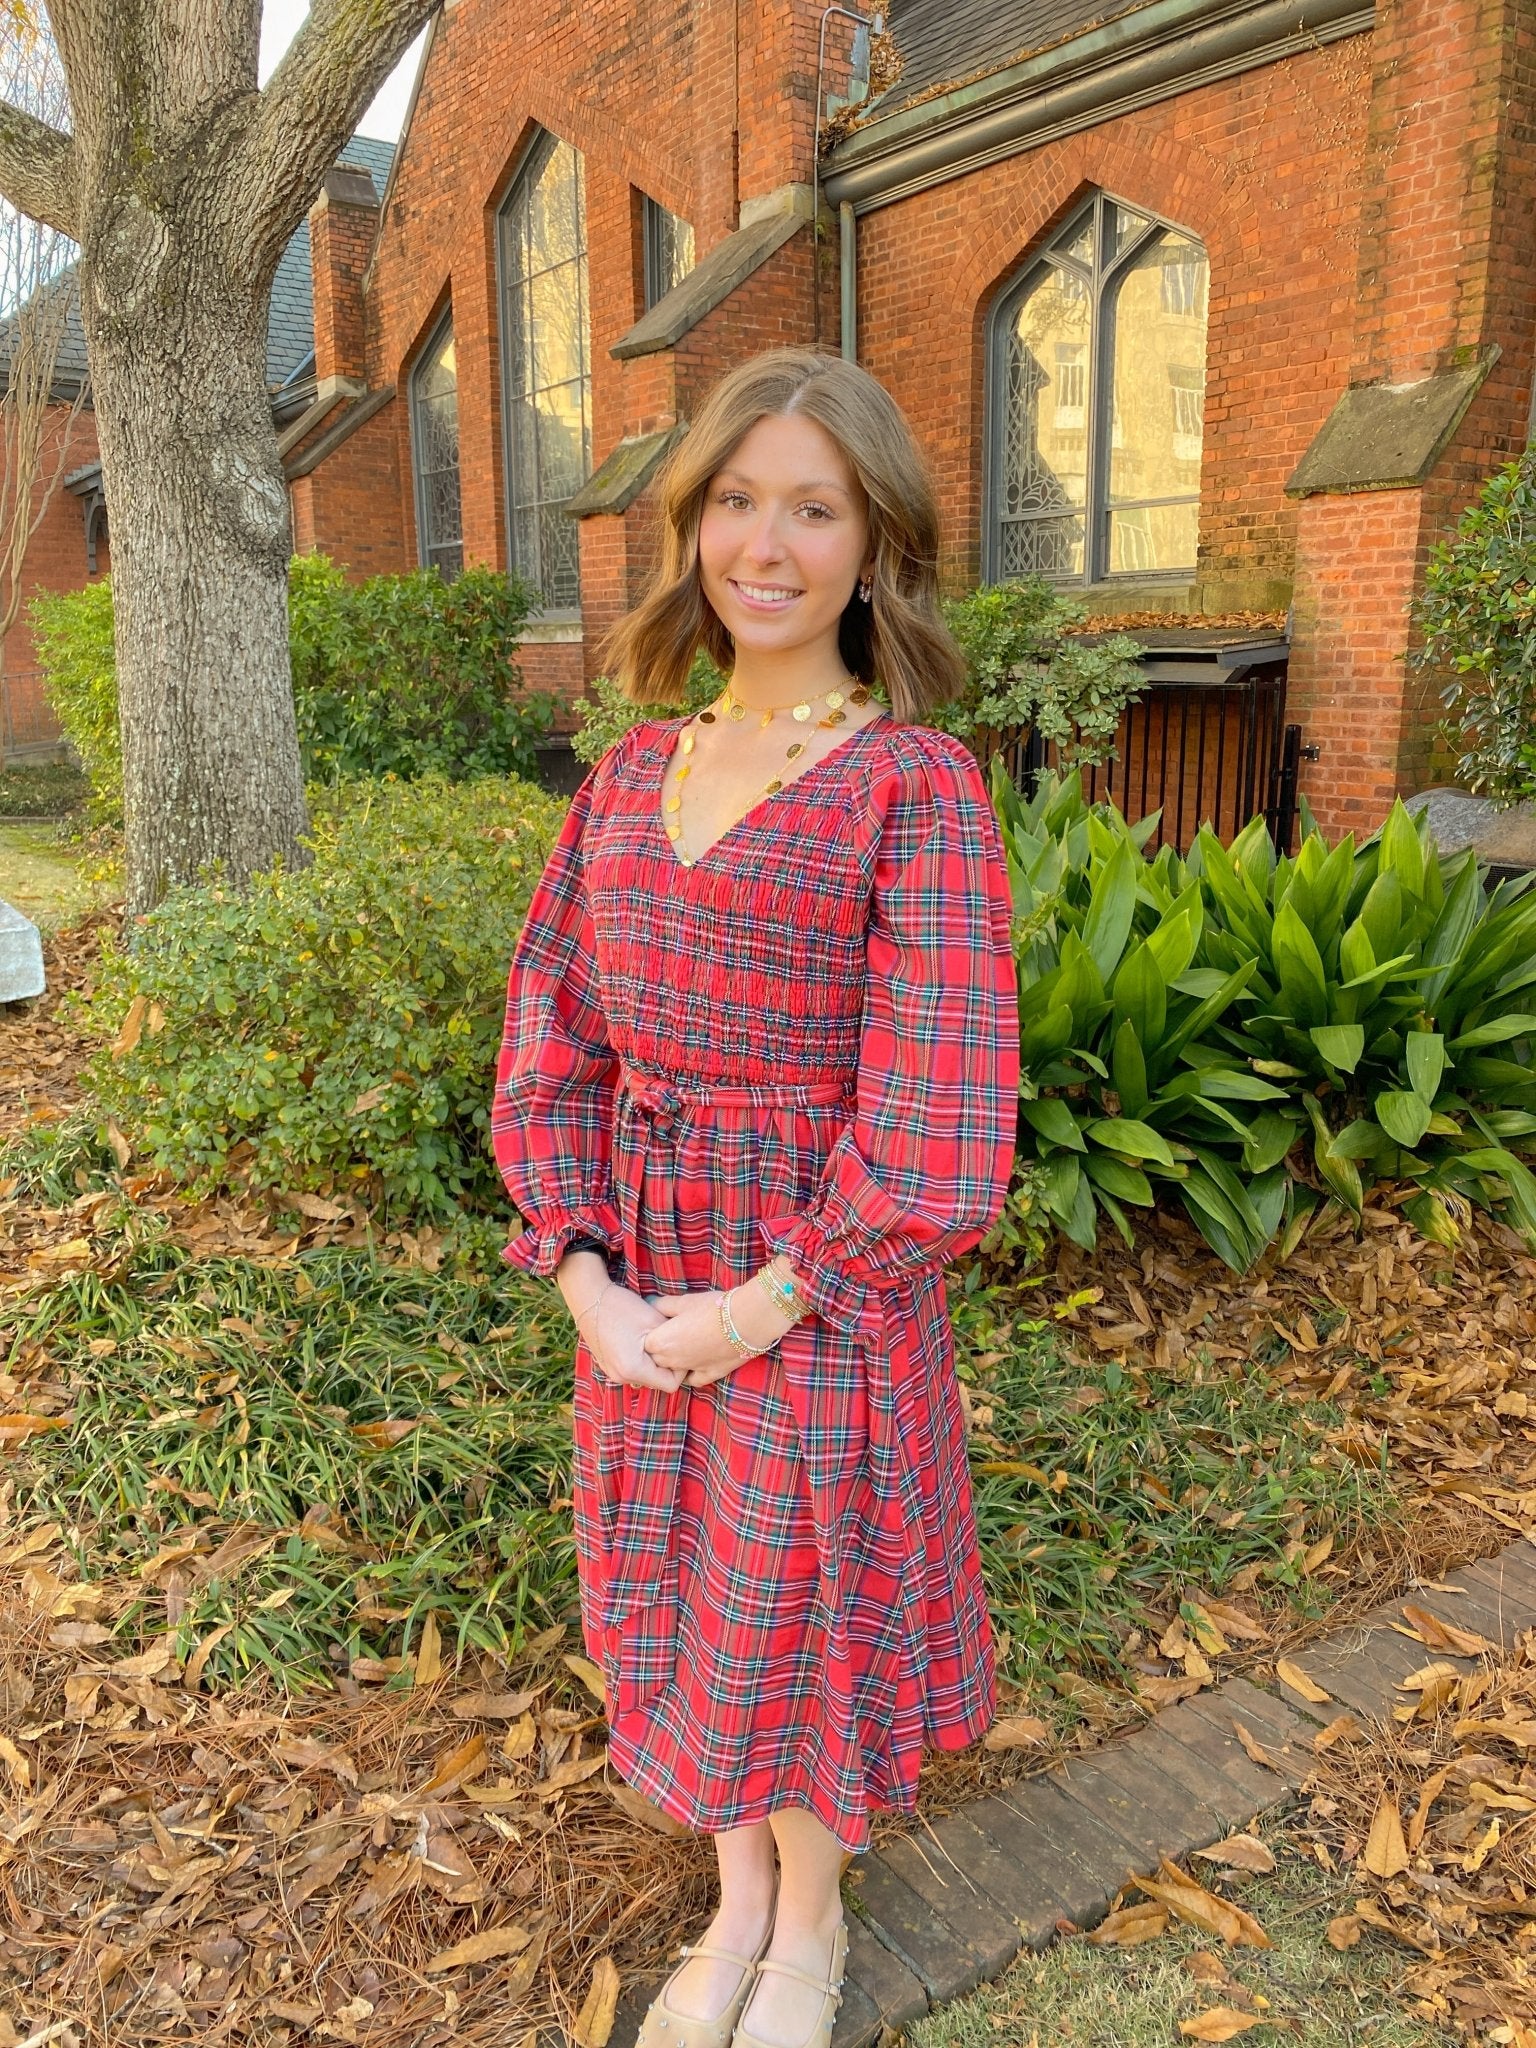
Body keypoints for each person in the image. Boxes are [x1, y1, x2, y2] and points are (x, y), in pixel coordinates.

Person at [492, 345, 1020, 2048]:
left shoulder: (912, 788)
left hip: (815, 1288)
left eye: (815, 508)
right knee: (684, 1593)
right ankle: (734, 1898)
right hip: (647, 1282)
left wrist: (762, 1307)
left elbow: (941, 1113)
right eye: (736, 500)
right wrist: (589, 1282)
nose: (768, 545)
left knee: (799, 1600)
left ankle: (813, 1916)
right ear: (691, 524)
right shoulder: (627, 776)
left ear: (877, 546)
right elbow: (552, 1036)